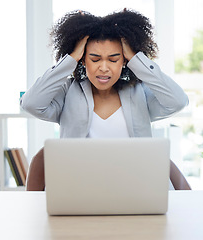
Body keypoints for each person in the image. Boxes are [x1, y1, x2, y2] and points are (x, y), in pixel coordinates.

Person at [21, 9, 190, 190]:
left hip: (138, 190)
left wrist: (135, 58)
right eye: (94, 59)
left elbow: (177, 101)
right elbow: (31, 104)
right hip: (80, 190)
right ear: (83, 60)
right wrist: (70, 59)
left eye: (113, 59)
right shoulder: (68, 92)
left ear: (123, 61)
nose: (103, 67)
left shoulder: (140, 93)